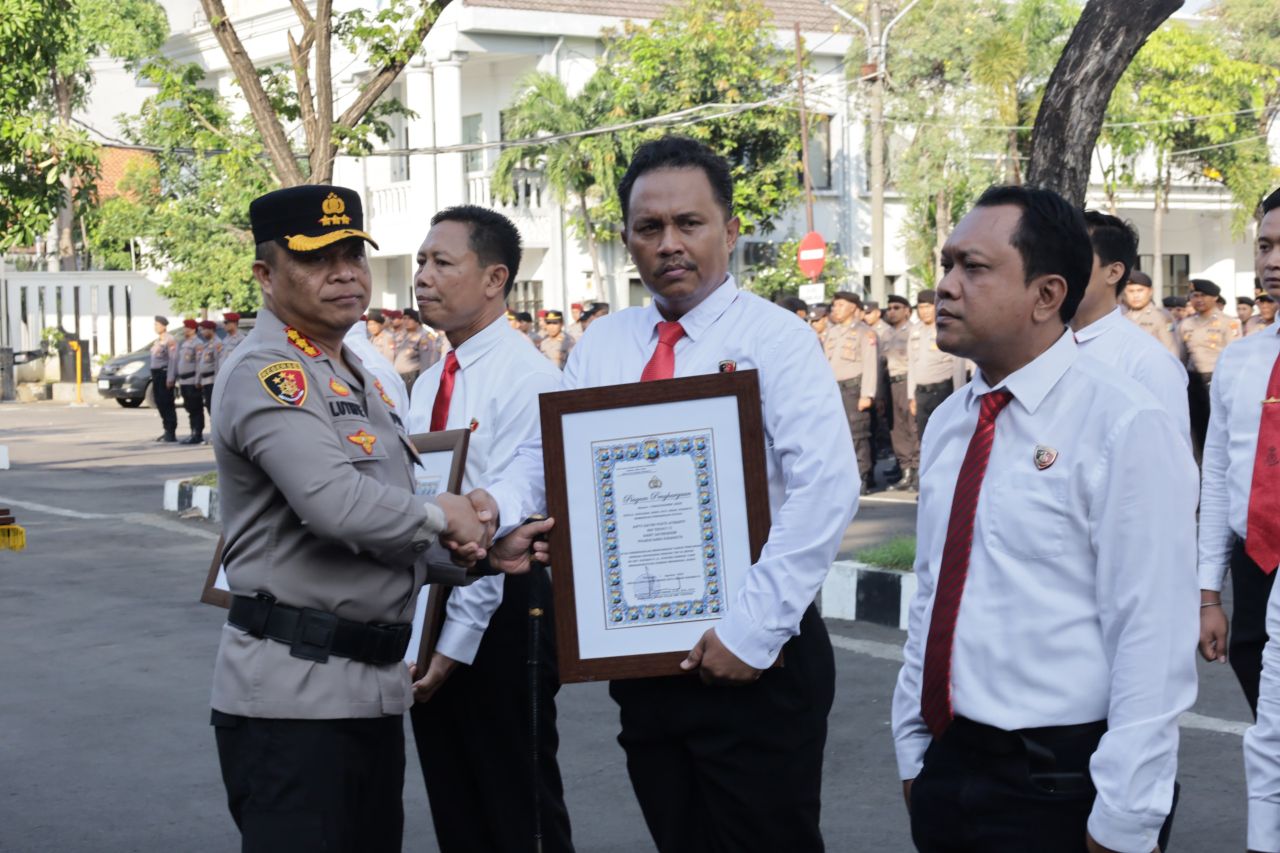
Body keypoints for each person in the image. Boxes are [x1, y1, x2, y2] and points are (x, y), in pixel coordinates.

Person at [478, 135, 858, 853]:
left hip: (758, 658)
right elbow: (543, 455)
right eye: (650, 228)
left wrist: (752, 630)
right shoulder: (603, 345)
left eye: (691, 223)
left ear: (731, 230)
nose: (670, 243)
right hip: (642, 659)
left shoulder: (776, 340)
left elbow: (825, 487)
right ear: (627, 239)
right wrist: (495, 508)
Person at [208, 183, 527, 853]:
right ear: (266, 274)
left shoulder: (351, 372)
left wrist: (479, 556)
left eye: (353, 252)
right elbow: (337, 505)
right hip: (294, 699)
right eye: (319, 258)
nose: (346, 271)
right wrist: (445, 516)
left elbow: (387, 527)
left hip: (369, 692)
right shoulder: (270, 372)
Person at [893, 185, 1197, 853]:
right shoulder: (951, 424)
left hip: (1062, 781)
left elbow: (1152, 633)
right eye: (946, 265)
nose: (944, 287)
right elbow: (935, 594)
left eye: (973, 268)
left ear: (1046, 294)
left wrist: (1124, 820)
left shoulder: (1124, 422)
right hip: (952, 767)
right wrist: (914, 748)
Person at [407, 204, 574, 853]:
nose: (422, 276)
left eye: (441, 262)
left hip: (502, 613)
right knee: (457, 808)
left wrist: (455, 645)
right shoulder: (426, 383)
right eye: (421, 261)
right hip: (435, 619)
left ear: (494, 278)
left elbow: (504, 518)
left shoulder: (529, 377)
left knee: (519, 811)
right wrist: (423, 641)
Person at [1198, 187, 1280, 719]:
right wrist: (1210, 595)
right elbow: (1218, 474)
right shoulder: (1241, 359)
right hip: (1255, 567)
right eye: (1265, 245)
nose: (1272, 261)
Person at [1072, 211, 1191, 447]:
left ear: (1114, 272)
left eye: (1075, 257)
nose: (1060, 268)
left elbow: (1169, 462)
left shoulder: (1149, 362)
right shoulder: (1039, 347)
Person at [1180, 278, 1242, 460]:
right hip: (1193, 381)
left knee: (1217, 427)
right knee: (1196, 427)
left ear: (1215, 297)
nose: (1198, 299)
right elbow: (1182, 357)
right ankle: (1200, 463)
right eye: (1194, 295)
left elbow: (1234, 357)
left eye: (1203, 295)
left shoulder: (1228, 323)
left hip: (1216, 380)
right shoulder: (1186, 324)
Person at [823, 290, 879, 493]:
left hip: (854, 389)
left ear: (853, 308)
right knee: (838, 434)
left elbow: (870, 364)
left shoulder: (865, 332)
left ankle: (862, 475)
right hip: (834, 389)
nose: (835, 308)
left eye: (841, 305)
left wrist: (867, 394)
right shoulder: (832, 332)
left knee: (858, 434)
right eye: (835, 305)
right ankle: (845, 475)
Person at [907, 290, 966, 441]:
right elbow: (911, 365)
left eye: (928, 307)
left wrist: (959, 394)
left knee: (943, 437)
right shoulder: (914, 330)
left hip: (942, 391)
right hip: (921, 393)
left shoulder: (947, 327)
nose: (924, 311)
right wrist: (910, 396)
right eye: (920, 307)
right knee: (924, 437)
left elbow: (958, 364)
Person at [882, 294, 919, 491]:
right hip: (891, 383)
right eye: (889, 308)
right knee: (897, 429)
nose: (892, 311)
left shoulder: (913, 331)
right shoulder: (886, 334)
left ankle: (916, 469)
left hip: (908, 380)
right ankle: (905, 470)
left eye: (897, 307)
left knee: (912, 426)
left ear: (907, 310)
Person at [1121, 270, 1178, 356]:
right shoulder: (1121, 316)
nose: (1136, 295)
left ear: (1150, 291)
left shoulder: (1162, 316)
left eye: (1140, 290)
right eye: (1131, 291)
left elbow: (1171, 349)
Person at [171, 318, 205, 444]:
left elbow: (199, 363)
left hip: (192, 380)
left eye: (186, 328)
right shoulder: (183, 343)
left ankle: (198, 434)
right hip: (184, 381)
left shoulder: (198, 343)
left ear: (192, 329)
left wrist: (198, 380)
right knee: (189, 408)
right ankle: (192, 433)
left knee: (196, 408)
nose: (184, 330)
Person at [149, 316, 179, 443]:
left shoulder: (170, 340)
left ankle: (171, 432)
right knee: (160, 403)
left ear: (164, 326)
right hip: (156, 375)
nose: (155, 327)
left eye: (157, 325)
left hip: (164, 374)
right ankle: (166, 429)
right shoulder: (157, 341)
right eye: (155, 324)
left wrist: (170, 378)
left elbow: (173, 359)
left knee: (167, 403)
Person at [393, 307, 424, 390]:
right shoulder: (402, 336)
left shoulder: (423, 337)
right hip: (399, 376)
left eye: (410, 318)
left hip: (411, 376)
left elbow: (426, 363)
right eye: (404, 318)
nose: (406, 321)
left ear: (417, 320)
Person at [197, 320, 220, 416]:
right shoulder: (207, 344)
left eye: (203, 330)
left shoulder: (217, 343)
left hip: (212, 380)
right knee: (208, 406)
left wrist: (217, 381)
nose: (202, 332)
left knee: (213, 407)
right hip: (206, 381)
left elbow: (217, 363)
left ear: (211, 329)